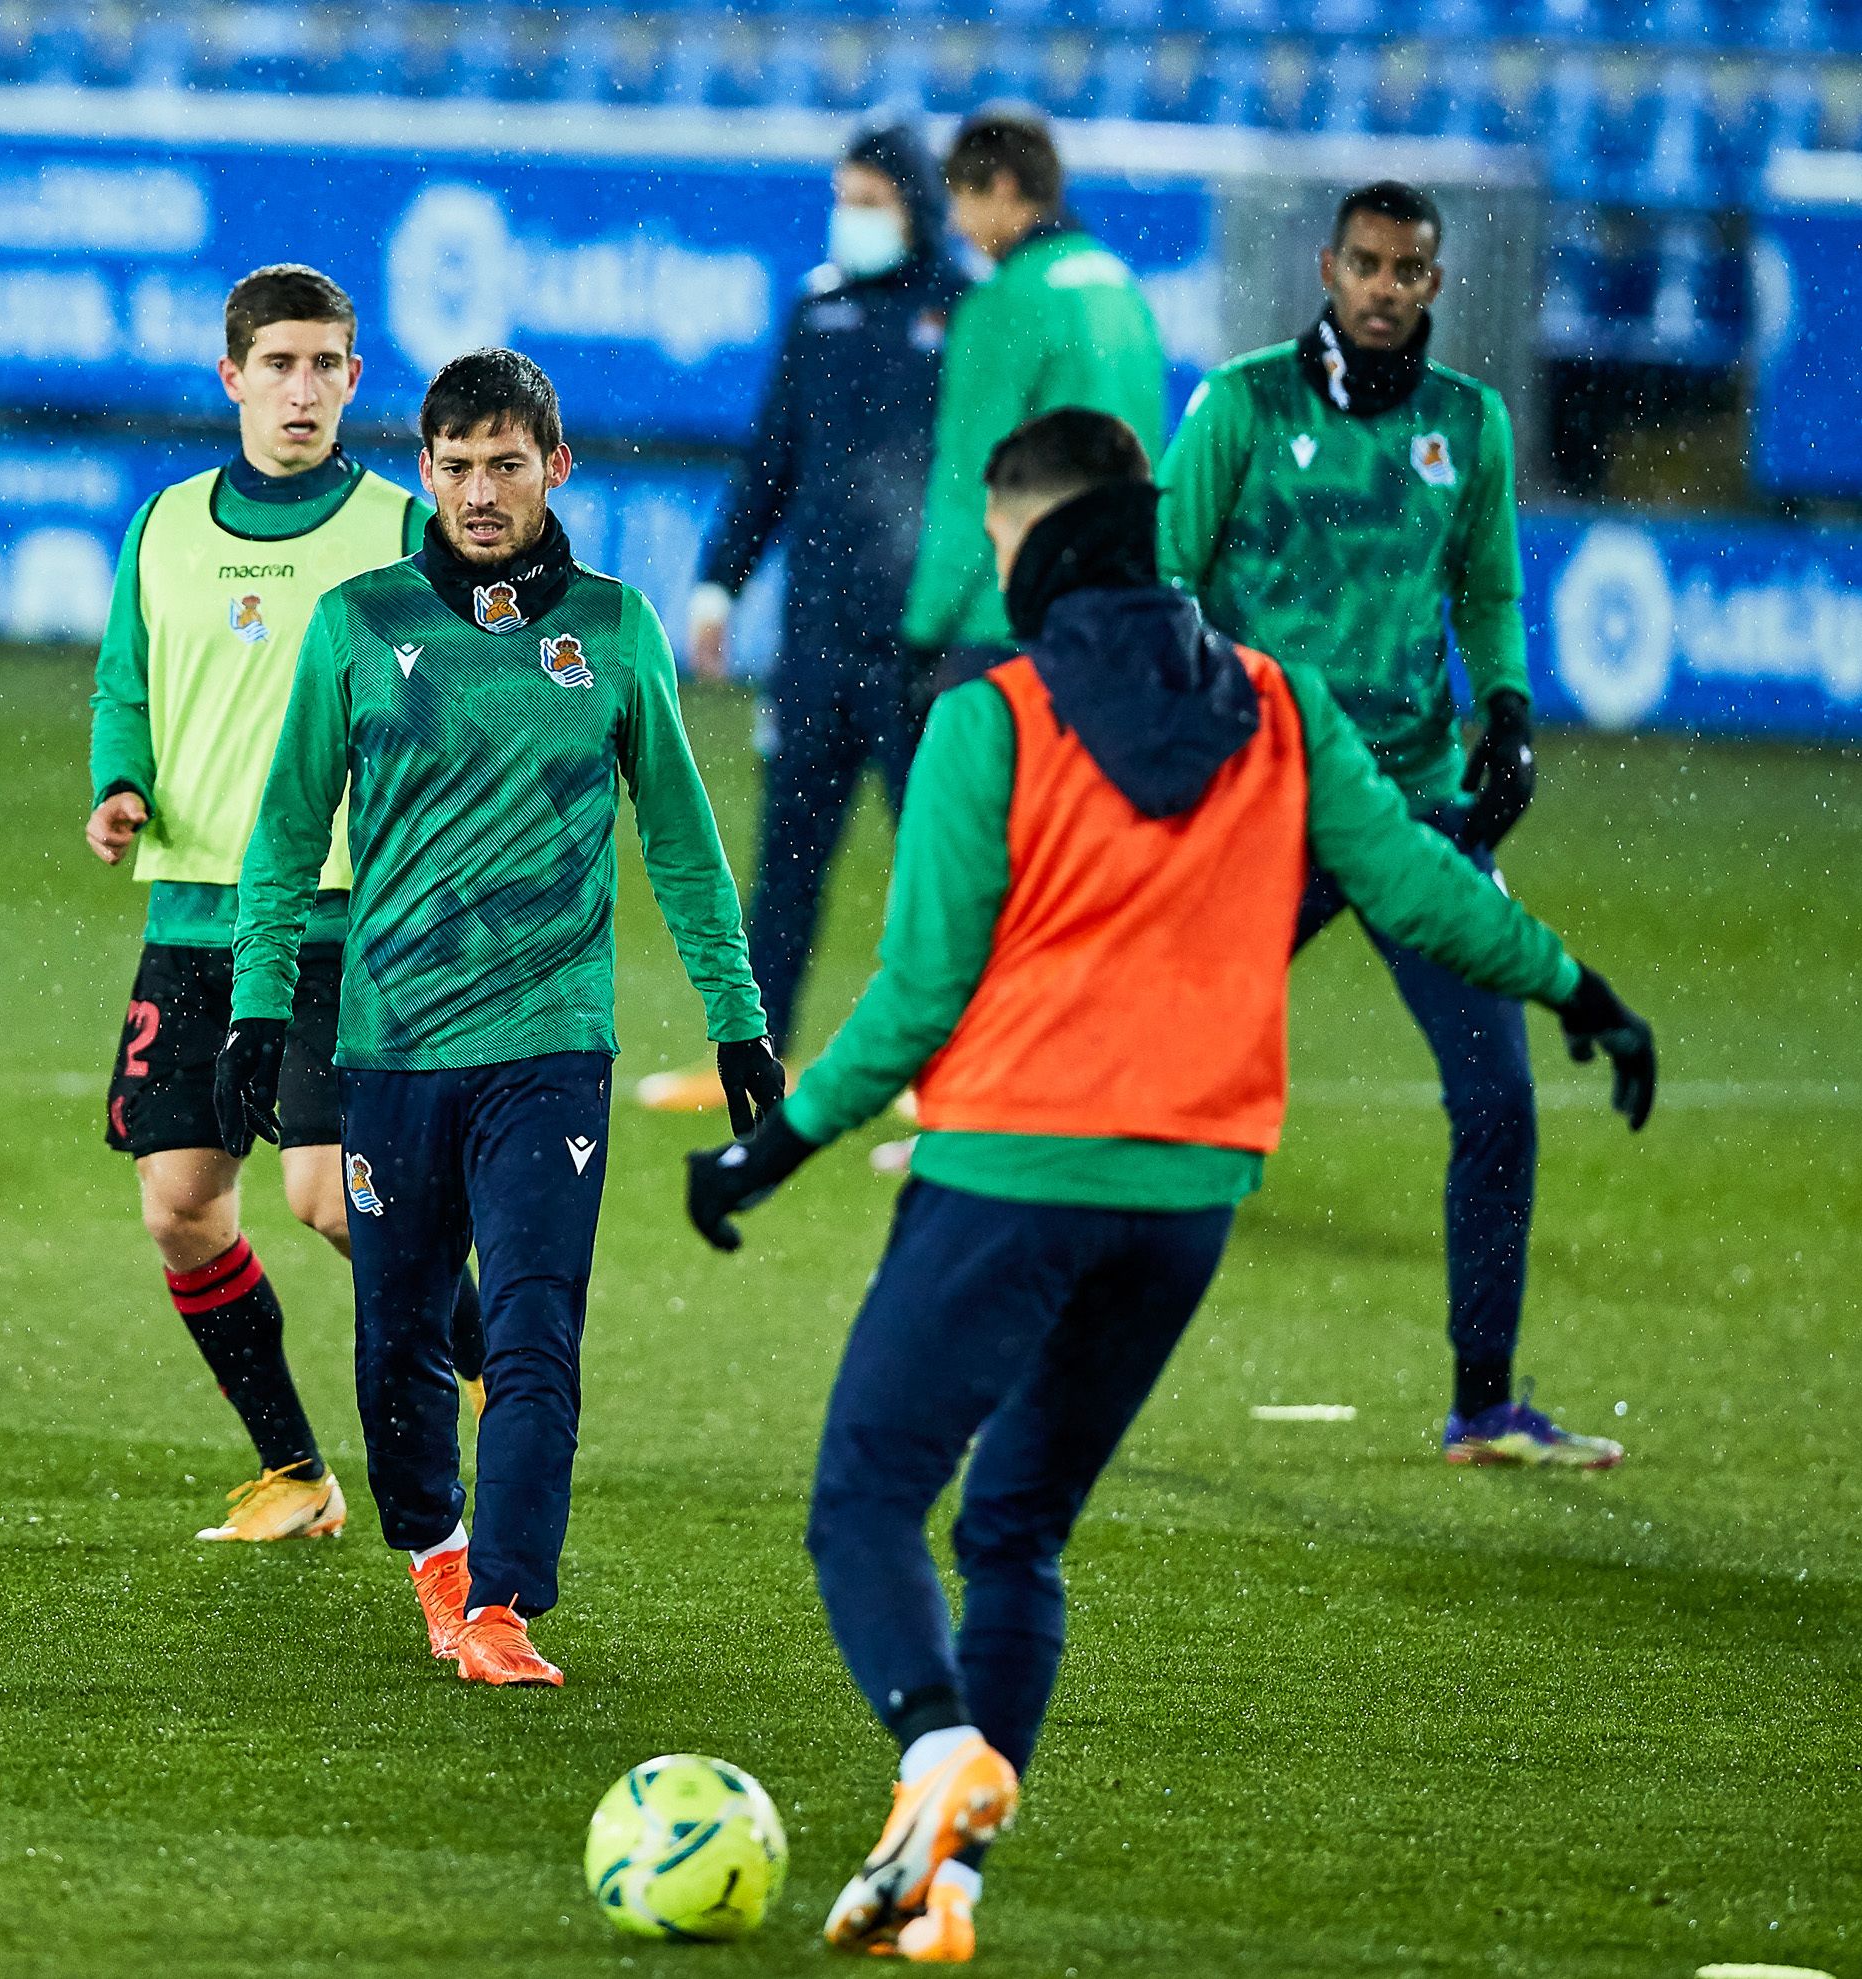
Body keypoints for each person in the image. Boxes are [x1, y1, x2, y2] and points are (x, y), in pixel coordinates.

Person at [684, 410, 1654, 1960]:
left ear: (1036, 542)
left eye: (1001, 545)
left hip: (1011, 1168)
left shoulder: (988, 717)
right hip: (1189, 1193)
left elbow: (920, 996)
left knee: (869, 1494)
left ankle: (938, 1755)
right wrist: (1580, 989)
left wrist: (772, 1143)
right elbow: (1417, 879)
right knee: (1017, 1527)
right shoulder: (1279, 704)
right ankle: (945, 1886)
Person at [224, 349, 782, 1687]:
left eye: (507, 465)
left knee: (534, 1325)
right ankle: (435, 1548)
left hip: (550, 1044)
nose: (481, 491)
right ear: (426, 471)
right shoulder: (358, 622)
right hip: (393, 1041)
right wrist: (254, 1004)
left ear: (555, 466)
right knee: (397, 1335)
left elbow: (688, 844)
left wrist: (737, 1016)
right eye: (458, 466)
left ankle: (502, 1604)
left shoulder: (616, 626)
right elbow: (287, 826)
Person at [1156, 180, 1615, 1466]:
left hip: (1415, 811)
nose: (1383, 286)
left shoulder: (1469, 424)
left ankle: (1485, 1401)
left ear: (1435, 282)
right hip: (1269, 808)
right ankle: (1026, 1343)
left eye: (1408, 270)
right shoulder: (1244, 401)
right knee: (1151, 1079)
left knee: (1499, 1098)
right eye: (1365, 263)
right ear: (1327, 265)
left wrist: (1510, 708)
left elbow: (1488, 582)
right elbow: (1166, 574)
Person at [85, 263, 488, 1544]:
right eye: (279, 366)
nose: (302, 390)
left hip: (338, 920)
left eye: (326, 367)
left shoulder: (397, 534)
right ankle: (297, 1471)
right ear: (234, 378)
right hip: (195, 919)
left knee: (327, 1193)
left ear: (355, 382)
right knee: (181, 1208)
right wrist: (118, 783)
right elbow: (124, 684)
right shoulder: (163, 526)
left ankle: (500, 1361)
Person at [636, 114, 967, 1116]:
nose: (851, 216)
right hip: (817, 641)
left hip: (922, 643)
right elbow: (771, 457)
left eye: (869, 199)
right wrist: (717, 582)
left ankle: (950, 1069)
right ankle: (754, 1064)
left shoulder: (968, 312)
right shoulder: (815, 309)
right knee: (786, 865)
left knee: (939, 868)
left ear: (915, 203)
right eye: (843, 197)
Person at [899, 110, 1169, 690]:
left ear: (1003, 187)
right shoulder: (1122, 291)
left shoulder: (1002, 306)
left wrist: (924, 629)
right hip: (1118, 618)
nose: (955, 223)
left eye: (962, 198)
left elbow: (971, 482)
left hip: (1010, 626)